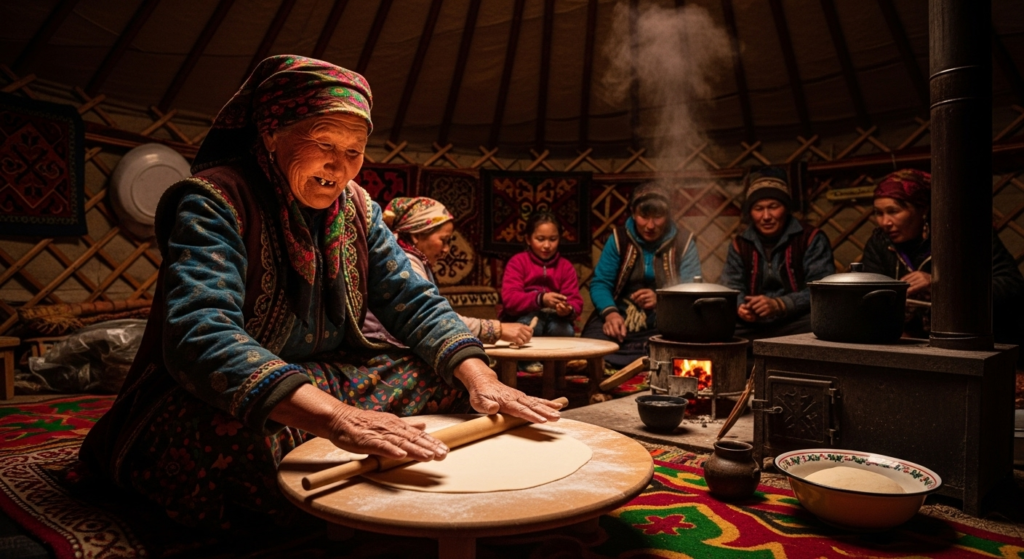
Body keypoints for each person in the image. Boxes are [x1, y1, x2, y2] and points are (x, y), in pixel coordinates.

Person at [78, 55, 561, 530]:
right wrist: (337, 419)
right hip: (227, 394)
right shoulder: (214, 200)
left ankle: (356, 453)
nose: (340, 166)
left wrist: (483, 381)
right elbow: (200, 334)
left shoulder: (357, 208)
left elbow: (414, 301)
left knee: (455, 380)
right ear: (271, 132)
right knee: (225, 439)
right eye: (323, 142)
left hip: (324, 377)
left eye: (354, 150)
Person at [860, 169, 1024, 353]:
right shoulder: (880, 243)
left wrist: (940, 285)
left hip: (978, 344)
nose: (884, 222)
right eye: (878, 213)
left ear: (923, 208)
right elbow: (867, 293)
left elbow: (1011, 284)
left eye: (893, 211)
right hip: (911, 345)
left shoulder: (964, 235)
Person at [361, 196, 534, 347]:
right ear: (416, 235)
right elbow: (434, 318)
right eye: (443, 240)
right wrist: (498, 329)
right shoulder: (405, 264)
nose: (446, 249)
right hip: (379, 348)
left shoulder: (409, 260)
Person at [581, 184, 702, 368]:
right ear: (632, 212)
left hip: (664, 319)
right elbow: (600, 283)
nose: (650, 225)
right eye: (644, 217)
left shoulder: (683, 243)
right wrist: (610, 314)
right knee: (592, 343)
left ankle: (631, 361)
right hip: (621, 314)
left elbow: (692, 289)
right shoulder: (619, 239)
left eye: (658, 217)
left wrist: (661, 299)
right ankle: (643, 361)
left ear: (668, 215)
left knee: (685, 343)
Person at [720, 170, 835, 342]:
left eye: (773, 207)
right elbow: (731, 286)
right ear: (750, 213)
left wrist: (780, 305)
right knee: (717, 326)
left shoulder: (810, 238)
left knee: (826, 324)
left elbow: (820, 289)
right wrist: (741, 307)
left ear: (786, 209)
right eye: (758, 209)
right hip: (753, 324)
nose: (766, 216)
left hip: (795, 321)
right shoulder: (740, 243)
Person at [499, 210, 583, 337]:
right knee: (531, 328)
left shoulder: (565, 267)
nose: (547, 245)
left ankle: (555, 357)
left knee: (564, 331)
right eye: (540, 239)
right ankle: (528, 358)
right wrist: (541, 299)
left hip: (556, 317)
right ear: (528, 239)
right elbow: (510, 300)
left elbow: (575, 300)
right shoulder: (518, 262)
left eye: (553, 239)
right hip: (524, 315)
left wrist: (567, 309)